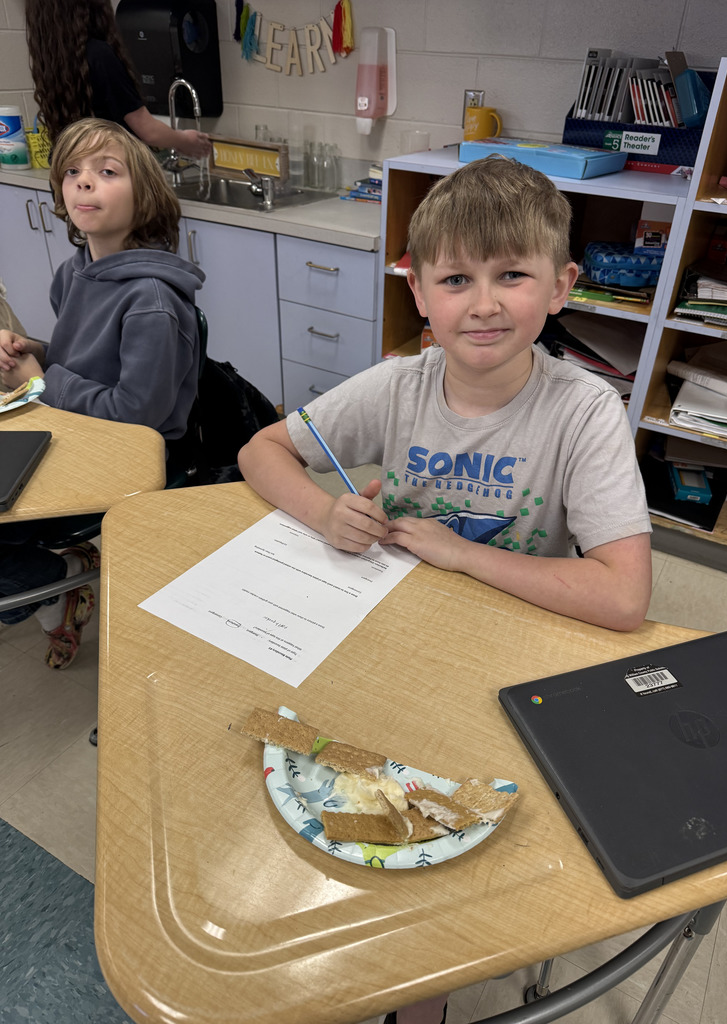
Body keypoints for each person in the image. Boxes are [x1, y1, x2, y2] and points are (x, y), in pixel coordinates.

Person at [239, 155, 652, 634]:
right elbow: (261, 450)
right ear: (419, 292)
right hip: (394, 612)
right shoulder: (397, 386)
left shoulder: (586, 410)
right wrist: (326, 513)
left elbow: (624, 598)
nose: (483, 306)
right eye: (456, 280)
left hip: (512, 620)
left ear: (559, 287)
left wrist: (461, 553)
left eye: (511, 275)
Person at [0, 117, 204, 669]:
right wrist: (25, 351)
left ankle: (63, 577)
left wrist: (40, 382)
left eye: (106, 171)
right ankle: (55, 588)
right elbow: (77, 359)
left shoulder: (153, 303)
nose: (83, 182)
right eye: (72, 171)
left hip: (123, 462)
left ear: (146, 198)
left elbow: (134, 415)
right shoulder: (74, 272)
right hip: (75, 437)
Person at [25, 0, 211, 159]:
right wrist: (185, 141)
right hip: (106, 175)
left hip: (72, 174)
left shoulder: (53, 62)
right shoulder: (98, 55)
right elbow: (147, 129)